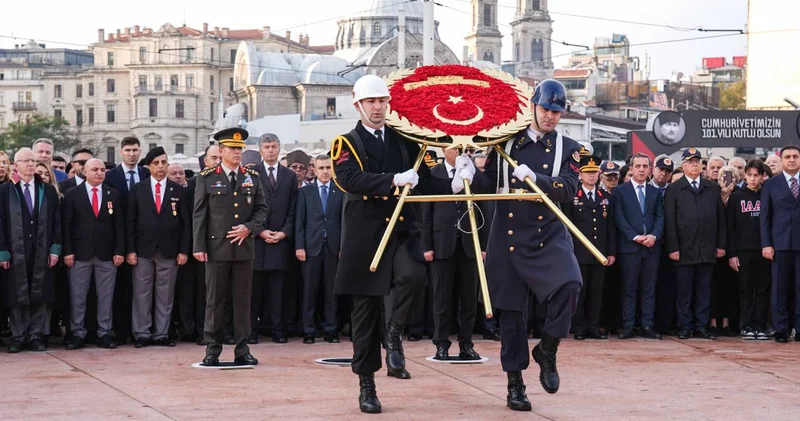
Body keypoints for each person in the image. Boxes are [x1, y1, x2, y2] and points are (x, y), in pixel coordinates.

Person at [330, 74, 458, 414]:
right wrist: (393, 180)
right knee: (365, 313)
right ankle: (367, 385)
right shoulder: (347, 143)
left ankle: (395, 331)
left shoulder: (405, 141)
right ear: (358, 106)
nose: (377, 107)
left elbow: (426, 182)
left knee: (414, 277)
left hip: (401, 231)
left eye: (382, 101)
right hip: (366, 237)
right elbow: (349, 180)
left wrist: (455, 182)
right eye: (371, 102)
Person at [470, 79, 582, 412]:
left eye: (556, 111)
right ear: (533, 106)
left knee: (570, 284)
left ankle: (547, 349)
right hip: (507, 236)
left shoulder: (571, 147)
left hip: (547, 233)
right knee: (511, 313)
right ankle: (515, 383)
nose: (551, 116)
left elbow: (569, 189)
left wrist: (536, 178)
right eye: (546, 109)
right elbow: (487, 185)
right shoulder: (503, 142)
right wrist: (467, 172)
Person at [193, 128, 267, 365]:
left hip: (244, 249)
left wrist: (250, 228)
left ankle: (242, 348)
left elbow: (262, 209)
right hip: (217, 249)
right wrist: (198, 245)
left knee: (242, 300)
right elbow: (200, 214)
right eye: (232, 149)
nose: (237, 153)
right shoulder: (207, 177)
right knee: (215, 300)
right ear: (221, 151)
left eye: (240, 149)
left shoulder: (251, 177)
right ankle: (212, 349)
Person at [421, 147, 485, 360]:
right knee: (442, 299)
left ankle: (466, 343)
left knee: (468, 299)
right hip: (442, 243)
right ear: (444, 149)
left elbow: (485, 207)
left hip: (469, 242)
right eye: (455, 147)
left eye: (463, 148)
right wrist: (427, 245)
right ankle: (441, 343)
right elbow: (426, 212)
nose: (459, 152)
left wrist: (483, 246)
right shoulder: (434, 174)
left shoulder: (473, 172)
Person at [127, 147, 191, 348]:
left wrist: (183, 250)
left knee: (165, 293)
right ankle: (142, 333)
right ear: (148, 166)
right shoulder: (138, 189)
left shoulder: (178, 190)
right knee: (142, 292)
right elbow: (130, 221)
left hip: (169, 250)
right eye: (156, 163)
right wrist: (130, 250)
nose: (161, 167)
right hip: (143, 249)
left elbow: (186, 223)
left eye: (164, 162)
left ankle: (161, 333)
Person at [0, 149, 61, 353]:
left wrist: (55, 248)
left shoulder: (48, 190)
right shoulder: (6, 191)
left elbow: (56, 222)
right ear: (15, 165)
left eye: (33, 161)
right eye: (25, 161)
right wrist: (2, 250)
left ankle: (35, 335)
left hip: (41, 250)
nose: (30, 164)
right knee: (17, 294)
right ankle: (18, 336)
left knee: (40, 293)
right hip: (15, 250)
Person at [61, 158, 125, 350]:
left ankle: (104, 332)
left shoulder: (113, 194)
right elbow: (67, 226)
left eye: (102, 170)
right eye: (95, 169)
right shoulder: (72, 194)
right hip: (80, 254)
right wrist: (68, 251)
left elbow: (119, 226)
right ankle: (77, 333)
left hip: (107, 254)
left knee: (106, 296)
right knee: (78, 296)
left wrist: (119, 251)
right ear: (85, 172)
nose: (99, 173)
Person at [665, 148, 726, 340]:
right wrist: (673, 247)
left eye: (697, 161)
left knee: (704, 291)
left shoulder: (712, 188)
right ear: (683, 165)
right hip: (684, 249)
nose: (694, 165)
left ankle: (701, 326)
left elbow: (720, 220)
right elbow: (670, 221)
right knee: (684, 292)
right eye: (690, 161)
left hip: (707, 248)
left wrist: (721, 245)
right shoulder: (674, 188)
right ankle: (685, 326)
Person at [563, 156, 616, 340]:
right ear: (580, 174)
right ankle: (580, 327)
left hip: (600, 252)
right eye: (587, 172)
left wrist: (611, 252)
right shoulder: (573, 197)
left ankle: (593, 326)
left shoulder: (606, 198)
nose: (591, 176)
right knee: (581, 291)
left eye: (594, 172)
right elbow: (567, 227)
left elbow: (610, 227)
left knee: (597, 292)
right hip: (579, 252)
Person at [251, 133, 298, 344]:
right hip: (257, 241)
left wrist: (284, 232)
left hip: (280, 240)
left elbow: (293, 208)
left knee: (278, 289)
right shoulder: (252, 173)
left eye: (274, 146)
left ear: (280, 148)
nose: (271, 150)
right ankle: (252, 329)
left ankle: (277, 329)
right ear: (261, 149)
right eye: (267, 147)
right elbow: (248, 207)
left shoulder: (289, 176)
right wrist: (260, 230)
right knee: (254, 289)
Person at [612, 153, 664, 340]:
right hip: (629, 247)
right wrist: (634, 236)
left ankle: (647, 325)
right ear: (631, 168)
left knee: (649, 289)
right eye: (638, 166)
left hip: (651, 247)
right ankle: (628, 326)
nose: (641, 169)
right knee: (629, 288)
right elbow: (619, 218)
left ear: (650, 169)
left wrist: (654, 235)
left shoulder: (655, 192)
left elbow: (660, 217)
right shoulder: (620, 192)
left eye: (645, 166)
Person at [295, 155, 342, 344]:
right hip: (311, 247)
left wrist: (342, 247)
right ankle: (309, 330)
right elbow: (300, 221)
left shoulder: (340, 192)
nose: (325, 171)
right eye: (321, 168)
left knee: (331, 291)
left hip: (333, 247)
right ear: (313, 169)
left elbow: (344, 222)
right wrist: (299, 246)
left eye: (328, 168)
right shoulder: (306, 193)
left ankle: (331, 329)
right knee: (309, 290)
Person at [177, 145, 221, 344]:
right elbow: (189, 220)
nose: (217, 161)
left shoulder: (230, 182)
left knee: (212, 293)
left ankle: (211, 331)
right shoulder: (193, 185)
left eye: (220, 157)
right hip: (195, 246)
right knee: (191, 291)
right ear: (204, 161)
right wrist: (192, 246)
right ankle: (191, 329)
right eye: (213, 157)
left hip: (219, 247)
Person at [760, 145, 800, 343]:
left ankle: (799, 328)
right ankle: (781, 329)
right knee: (779, 288)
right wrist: (766, 244)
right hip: (779, 243)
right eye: (787, 157)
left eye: (795, 156)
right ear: (781, 160)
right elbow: (765, 217)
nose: (791, 160)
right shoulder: (771, 184)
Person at [727, 159, 771, 340]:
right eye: (750, 175)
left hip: (764, 250)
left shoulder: (767, 195)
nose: (752, 179)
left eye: (756, 175)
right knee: (745, 290)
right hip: (743, 251)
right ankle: (746, 326)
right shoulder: (736, 197)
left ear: (762, 176)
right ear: (745, 175)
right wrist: (732, 254)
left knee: (762, 290)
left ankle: (760, 326)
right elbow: (731, 227)